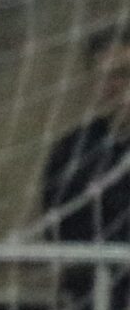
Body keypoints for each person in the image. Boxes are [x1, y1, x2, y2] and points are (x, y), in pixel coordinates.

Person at [43, 27, 130, 243]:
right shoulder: (74, 148)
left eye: (124, 73)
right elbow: (59, 232)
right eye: (105, 75)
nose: (115, 85)